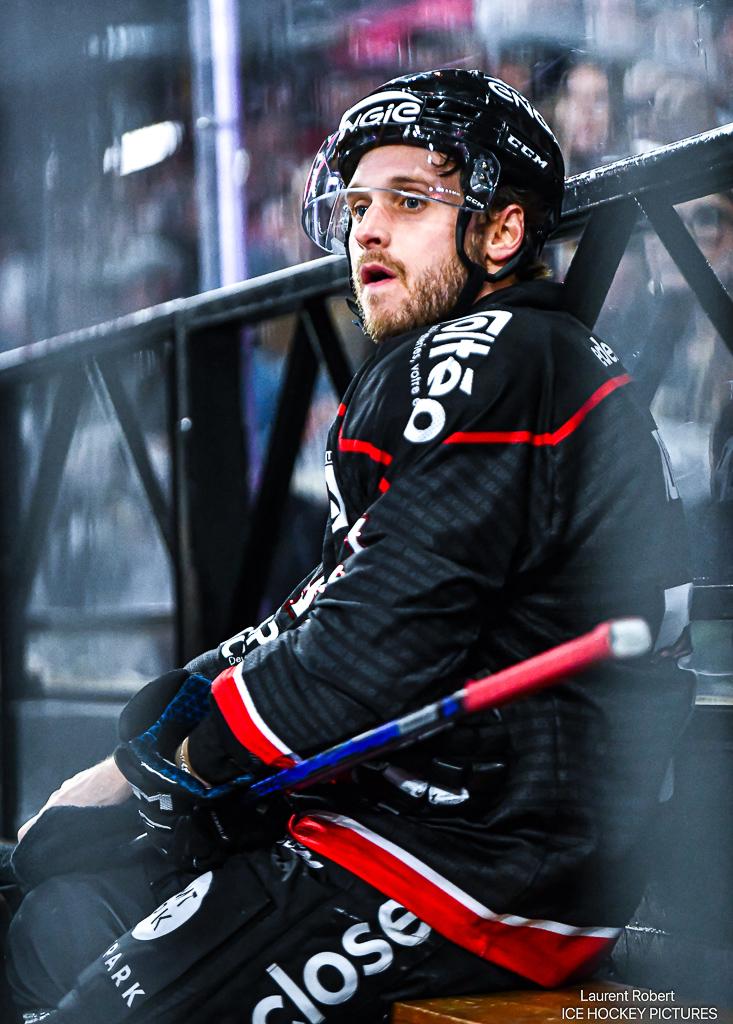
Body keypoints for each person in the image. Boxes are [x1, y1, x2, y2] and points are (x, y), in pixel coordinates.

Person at [4, 69, 694, 1023]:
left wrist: (178, 766)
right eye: (359, 204)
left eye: (409, 201)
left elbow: (371, 642)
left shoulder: (495, 356)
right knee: (48, 917)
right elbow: (332, 602)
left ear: (501, 231)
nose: (367, 229)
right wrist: (146, 745)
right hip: (403, 824)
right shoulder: (464, 362)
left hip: (467, 871)